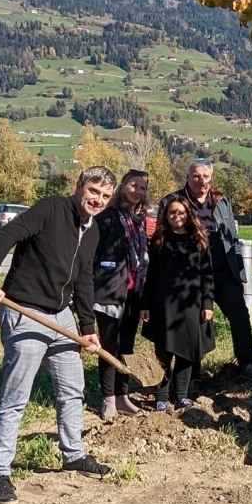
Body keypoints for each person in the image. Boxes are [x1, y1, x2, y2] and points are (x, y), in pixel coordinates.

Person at [0, 166, 116, 504]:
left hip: (62, 317)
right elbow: (6, 236)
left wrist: (87, 329)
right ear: (79, 186)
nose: (97, 200)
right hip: (24, 310)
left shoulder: (93, 230)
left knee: (72, 389)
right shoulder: (51, 208)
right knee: (16, 396)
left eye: (105, 196)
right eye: (94, 192)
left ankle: (73, 454)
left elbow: (84, 280)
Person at [168, 159, 252, 379]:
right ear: (188, 177)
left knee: (240, 315)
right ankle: (193, 373)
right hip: (191, 275)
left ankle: (247, 363)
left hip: (223, 271)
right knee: (196, 322)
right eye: (196, 176)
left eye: (206, 176)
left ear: (211, 178)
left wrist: (239, 273)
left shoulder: (221, 201)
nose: (201, 181)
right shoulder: (174, 202)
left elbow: (233, 239)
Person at [140, 196, 215, 412]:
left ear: (189, 214)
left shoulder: (199, 241)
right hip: (163, 304)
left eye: (181, 212)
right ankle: (162, 395)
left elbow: (207, 275)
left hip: (192, 304)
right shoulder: (159, 241)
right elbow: (151, 276)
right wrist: (145, 304)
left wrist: (207, 304)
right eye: (172, 212)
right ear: (166, 215)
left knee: (187, 351)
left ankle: (182, 395)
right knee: (163, 351)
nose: (176, 216)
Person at [92, 169, 149, 421]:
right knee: (109, 346)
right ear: (123, 186)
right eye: (134, 185)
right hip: (109, 291)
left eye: (143, 188)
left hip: (133, 293)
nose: (138, 191)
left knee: (126, 346)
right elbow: (93, 253)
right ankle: (107, 398)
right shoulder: (107, 217)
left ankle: (123, 396)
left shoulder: (139, 220)